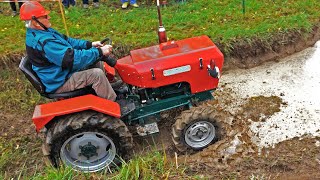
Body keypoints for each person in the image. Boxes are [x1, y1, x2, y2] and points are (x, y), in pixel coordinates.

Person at [19, 1, 117, 101]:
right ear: (35, 22)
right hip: (58, 81)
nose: (49, 17)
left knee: (96, 62)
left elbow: (68, 41)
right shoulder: (45, 42)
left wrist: (90, 44)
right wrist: (99, 52)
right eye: (45, 16)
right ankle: (114, 104)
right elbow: (73, 59)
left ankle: (108, 88)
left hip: (59, 72)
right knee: (97, 75)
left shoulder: (44, 31)